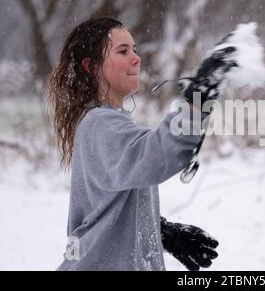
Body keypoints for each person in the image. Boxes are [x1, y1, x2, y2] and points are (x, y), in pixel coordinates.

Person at [49, 17, 219, 271]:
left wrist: (162, 232)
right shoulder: (101, 124)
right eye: (123, 51)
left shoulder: (104, 122)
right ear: (91, 66)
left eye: (135, 50)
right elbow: (158, 154)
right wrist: (197, 98)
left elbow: (108, 208)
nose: (136, 58)